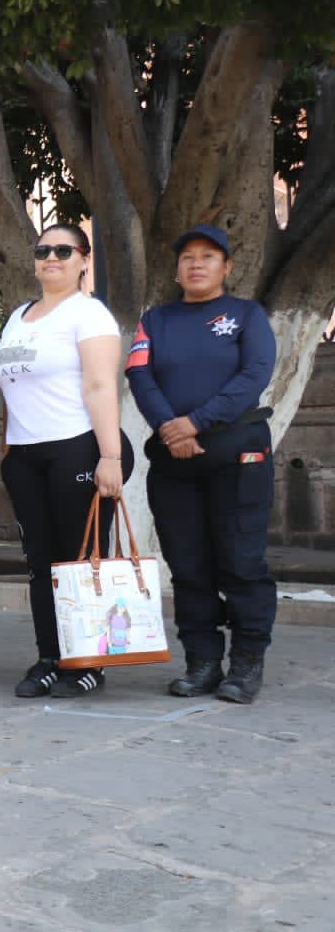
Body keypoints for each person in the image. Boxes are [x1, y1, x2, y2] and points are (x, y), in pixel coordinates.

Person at [127, 224, 278, 704]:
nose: (196, 264)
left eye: (208, 257)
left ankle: (246, 665)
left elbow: (254, 375)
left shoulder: (246, 316)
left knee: (241, 561)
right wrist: (172, 429)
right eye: (187, 256)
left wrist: (195, 422)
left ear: (226, 268)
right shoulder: (156, 319)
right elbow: (139, 373)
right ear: (176, 269)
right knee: (188, 565)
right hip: (174, 459)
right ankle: (203, 662)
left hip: (238, 453)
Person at [0, 224, 133, 699]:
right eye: (42, 250)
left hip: (78, 446)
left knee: (80, 562)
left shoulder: (88, 314)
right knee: (40, 564)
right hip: (26, 456)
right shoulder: (19, 316)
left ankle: (88, 660)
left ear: (83, 260)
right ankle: (50, 657)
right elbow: (11, 385)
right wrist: (9, 447)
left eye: (63, 250)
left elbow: (100, 388)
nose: (51, 257)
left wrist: (110, 456)